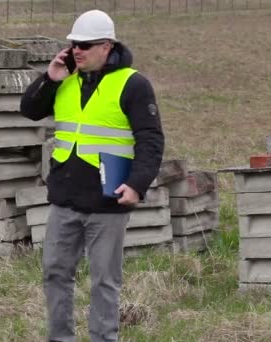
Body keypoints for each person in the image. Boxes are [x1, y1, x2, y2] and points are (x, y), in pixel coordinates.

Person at [20, 9, 164, 342]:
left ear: (107, 46)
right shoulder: (65, 79)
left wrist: (138, 185)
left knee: (104, 281)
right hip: (64, 198)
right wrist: (49, 77)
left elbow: (151, 140)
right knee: (55, 274)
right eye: (73, 44)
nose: (77, 51)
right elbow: (29, 110)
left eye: (85, 45)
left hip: (107, 201)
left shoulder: (134, 84)